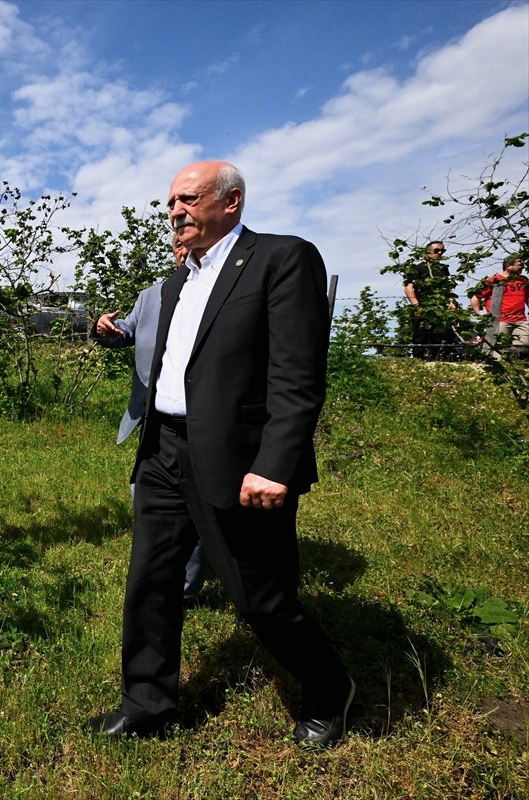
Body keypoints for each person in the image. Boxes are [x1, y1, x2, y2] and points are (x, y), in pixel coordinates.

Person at [85, 161, 353, 748]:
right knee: (151, 582)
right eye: (170, 203)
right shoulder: (178, 280)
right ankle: (148, 701)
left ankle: (329, 686)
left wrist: (275, 464)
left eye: (187, 198)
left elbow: (297, 376)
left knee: (261, 598)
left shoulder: (282, 259)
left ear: (230, 202)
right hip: (163, 449)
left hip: (239, 460)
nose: (174, 211)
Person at [91, 236, 208, 605]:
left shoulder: (221, 291)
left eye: (189, 241)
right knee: (145, 495)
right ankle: (157, 579)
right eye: (176, 244)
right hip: (152, 419)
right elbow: (124, 332)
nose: (182, 248)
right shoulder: (151, 295)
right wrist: (105, 330)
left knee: (200, 506)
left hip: (204, 422)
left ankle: (185, 592)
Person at [404, 241, 460, 359]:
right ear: (427, 252)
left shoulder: (443, 269)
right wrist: (417, 306)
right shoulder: (417, 268)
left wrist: (451, 302)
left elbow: (448, 287)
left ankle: (437, 360)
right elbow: (408, 288)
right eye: (436, 250)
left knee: (440, 335)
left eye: (442, 251)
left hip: (440, 307)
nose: (439, 253)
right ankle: (418, 361)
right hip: (423, 306)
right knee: (421, 336)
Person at [470, 255, 528, 358]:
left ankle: (515, 365)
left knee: (523, 346)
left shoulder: (524, 280)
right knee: (497, 347)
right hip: (500, 320)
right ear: (508, 266)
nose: (522, 267)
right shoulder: (495, 280)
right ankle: (496, 367)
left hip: (521, 319)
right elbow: (476, 296)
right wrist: (478, 312)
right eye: (520, 264)